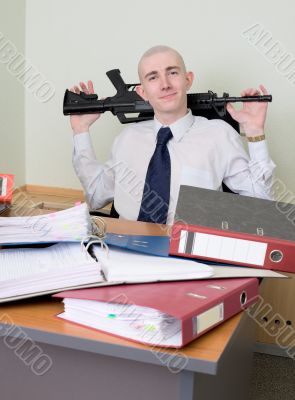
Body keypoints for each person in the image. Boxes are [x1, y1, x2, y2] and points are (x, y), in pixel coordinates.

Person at [70, 45, 275, 224]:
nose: (165, 84)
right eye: (153, 77)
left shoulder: (219, 135)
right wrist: (81, 130)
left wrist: (255, 132)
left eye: (173, 73)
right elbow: (96, 197)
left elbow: (263, 203)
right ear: (142, 92)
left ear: (188, 80)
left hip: (190, 254)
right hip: (126, 249)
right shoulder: (127, 138)